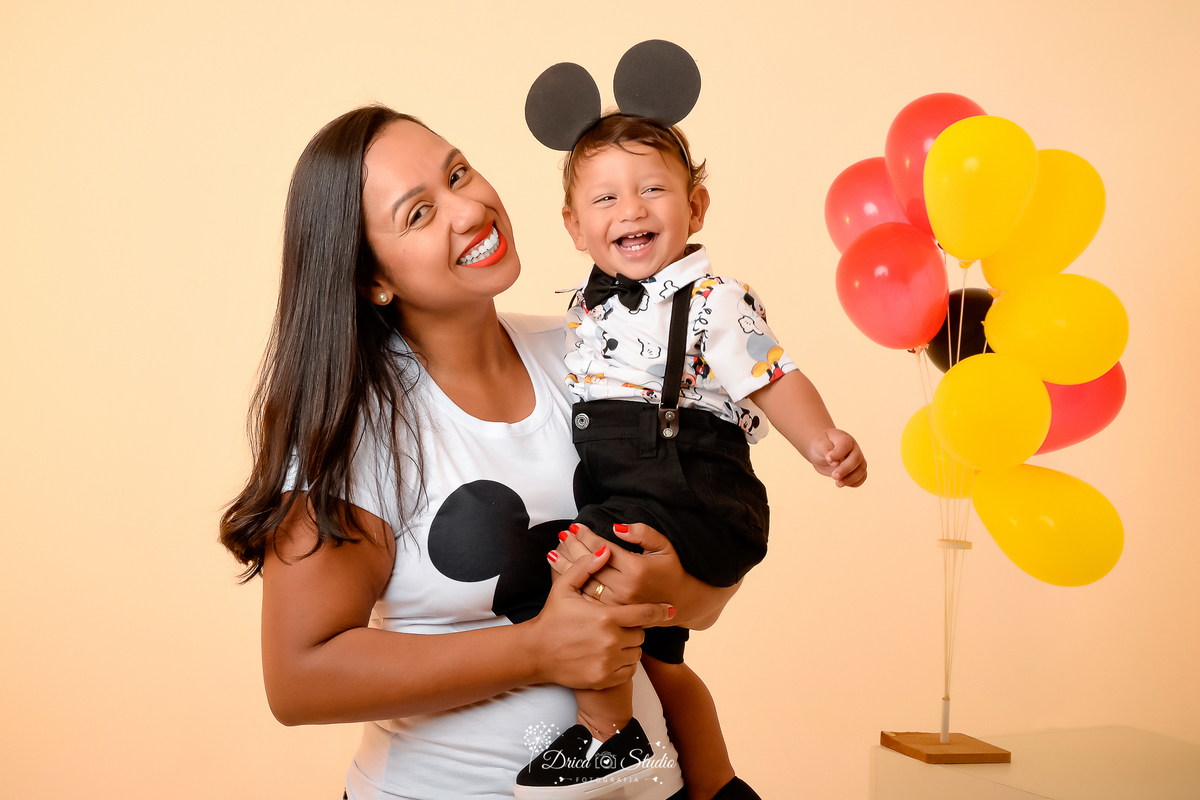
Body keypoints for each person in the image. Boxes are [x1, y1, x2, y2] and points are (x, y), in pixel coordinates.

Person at [218, 105, 742, 800]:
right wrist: (537, 648)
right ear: (372, 278)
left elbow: (701, 597)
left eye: (459, 172)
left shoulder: (593, 357)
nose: (468, 210)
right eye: (418, 214)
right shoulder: (354, 429)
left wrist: (672, 585)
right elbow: (298, 678)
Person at [517, 113, 867, 799]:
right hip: (634, 484)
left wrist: (821, 441)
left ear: (695, 206)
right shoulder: (587, 310)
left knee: (584, 572)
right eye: (606, 198)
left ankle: (606, 736)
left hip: (690, 483)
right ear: (574, 227)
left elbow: (773, 375)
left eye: (653, 189)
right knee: (662, 659)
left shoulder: (712, 299)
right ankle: (715, 783)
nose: (633, 210)